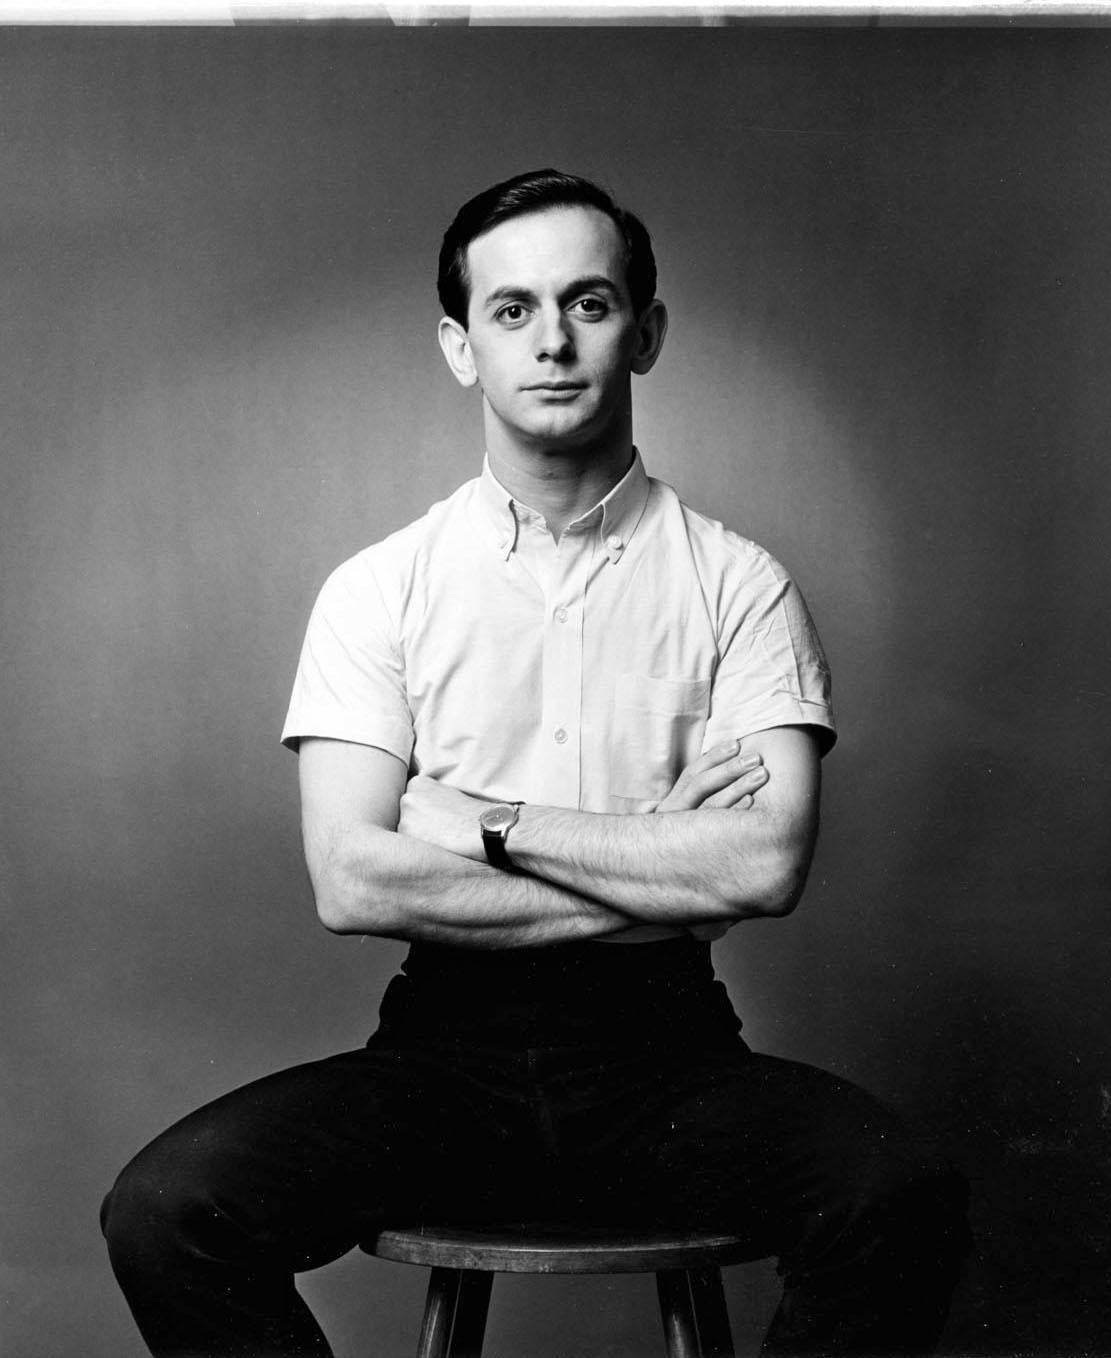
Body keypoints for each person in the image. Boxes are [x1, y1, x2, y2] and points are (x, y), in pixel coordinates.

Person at [102, 168, 969, 1357]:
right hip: (441, 1060)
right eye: (512, 310)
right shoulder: (381, 588)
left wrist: (487, 819)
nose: (552, 339)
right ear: (461, 347)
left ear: (646, 331)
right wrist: (656, 857)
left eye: (589, 302)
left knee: (899, 1190)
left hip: (667, 1066)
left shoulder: (741, 585)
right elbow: (353, 882)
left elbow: (763, 868)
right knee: (165, 1212)